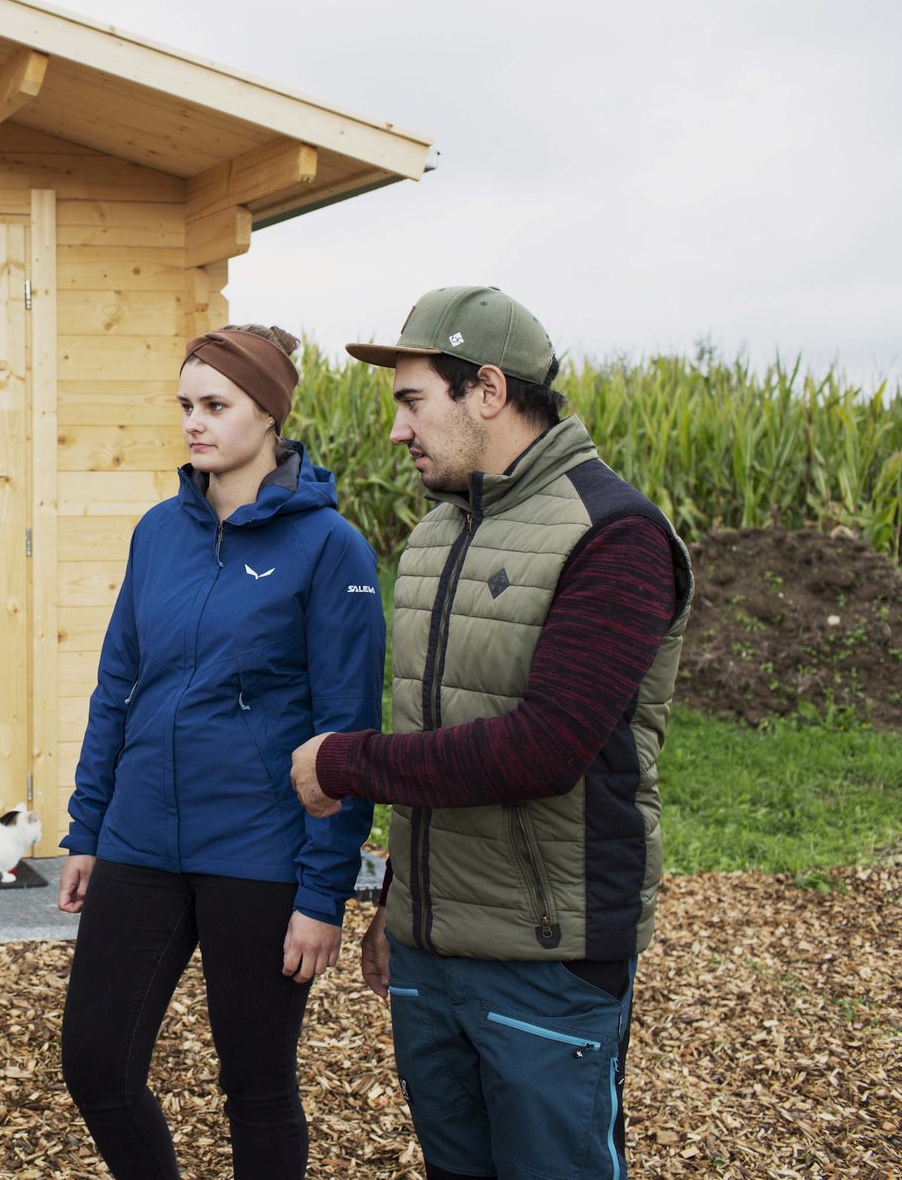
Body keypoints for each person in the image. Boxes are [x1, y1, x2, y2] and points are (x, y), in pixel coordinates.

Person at [290, 286, 692, 1180]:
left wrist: (343, 764)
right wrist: (399, 903)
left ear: (487, 390)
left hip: (547, 953)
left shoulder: (615, 534)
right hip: (430, 951)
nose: (397, 430)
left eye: (410, 400)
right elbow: (433, 720)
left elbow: (544, 748)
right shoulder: (435, 533)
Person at [58, 324, 386, 1179]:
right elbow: (116, 685)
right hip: (140, 840)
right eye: (185, 405)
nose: (194, 423)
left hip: (259, 850)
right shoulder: (157, 533)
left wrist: (323, 892)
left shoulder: (330, 548)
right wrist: (87, 825)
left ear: (269, 413)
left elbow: (346, 732)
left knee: (257, 1087)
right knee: (94, 1063)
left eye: (215, 405)